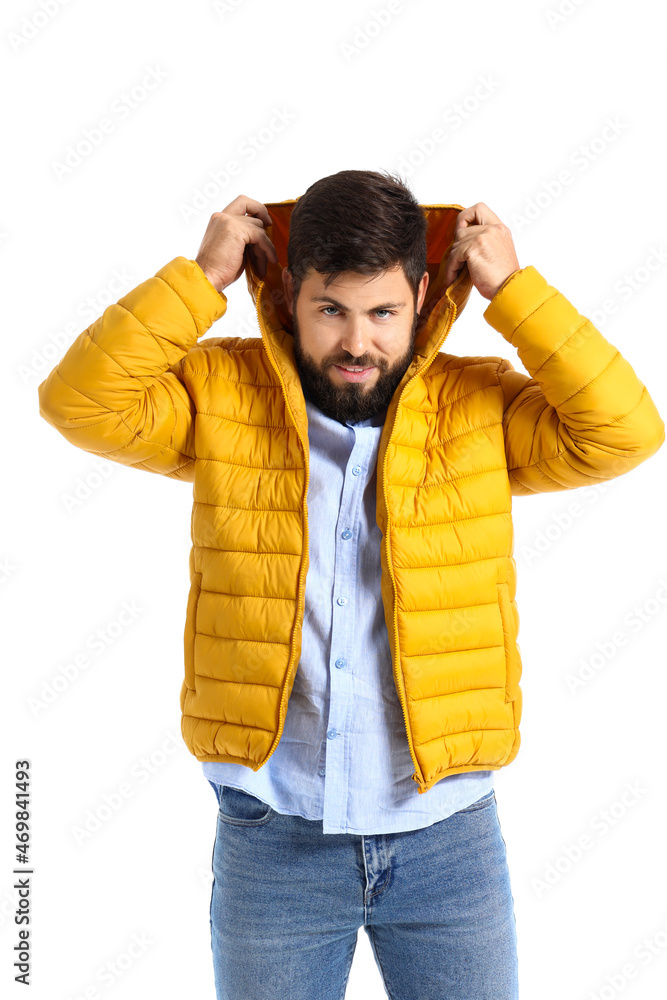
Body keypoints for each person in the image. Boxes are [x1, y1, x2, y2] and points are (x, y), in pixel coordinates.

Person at [37, 170, 665, 1000]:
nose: (356, 343)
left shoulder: (476, 405)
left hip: (447, 836)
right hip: (273, 841)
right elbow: (79, 402)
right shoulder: (222, 395)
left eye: (381, 313)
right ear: (290, 297)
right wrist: (201, 279)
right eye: (330, 310)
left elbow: (623, 432)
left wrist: (514, 290)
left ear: (419, 297)